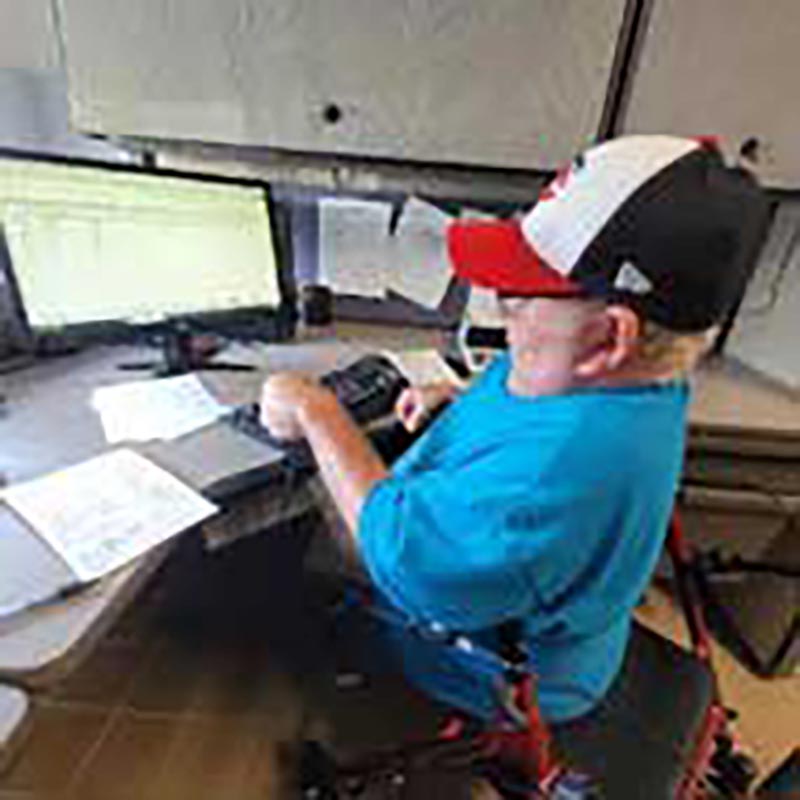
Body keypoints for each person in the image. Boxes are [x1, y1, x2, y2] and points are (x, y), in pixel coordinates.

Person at [259, 135, 767, 725]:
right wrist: (458, 403)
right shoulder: (644, 378)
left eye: (519, 301)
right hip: (560, 617)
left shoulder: (556, 472)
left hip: (513, 675)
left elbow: (402, 559)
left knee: (293, 574)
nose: (501, 311)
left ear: (608, 337)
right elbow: (531, 403)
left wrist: (317, 412)